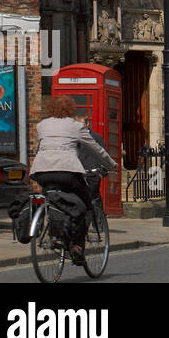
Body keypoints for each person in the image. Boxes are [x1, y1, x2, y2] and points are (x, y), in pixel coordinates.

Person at [29, 95, 117, 264]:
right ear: (71, 110)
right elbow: (95, 149)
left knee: (55, 201)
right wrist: (111, 165)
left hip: (41, 172)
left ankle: (57, 235)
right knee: (86, 205)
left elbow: (41, 147)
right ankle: (77, 246)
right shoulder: (76, 126)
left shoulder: (42, 125)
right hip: (67, 172)